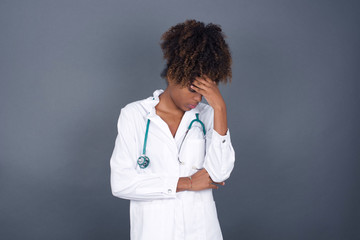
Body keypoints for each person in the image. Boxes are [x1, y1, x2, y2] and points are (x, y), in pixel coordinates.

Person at [110, 19, 235, 240]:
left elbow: (220, 172)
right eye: (192, 89)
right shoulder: (135, 115)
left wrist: (219, 107)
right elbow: (121, 184)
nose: (198, 98)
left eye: (204, 92)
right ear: (172, 75)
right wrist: (186, 183)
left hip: (202, 232)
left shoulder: (208, 116)